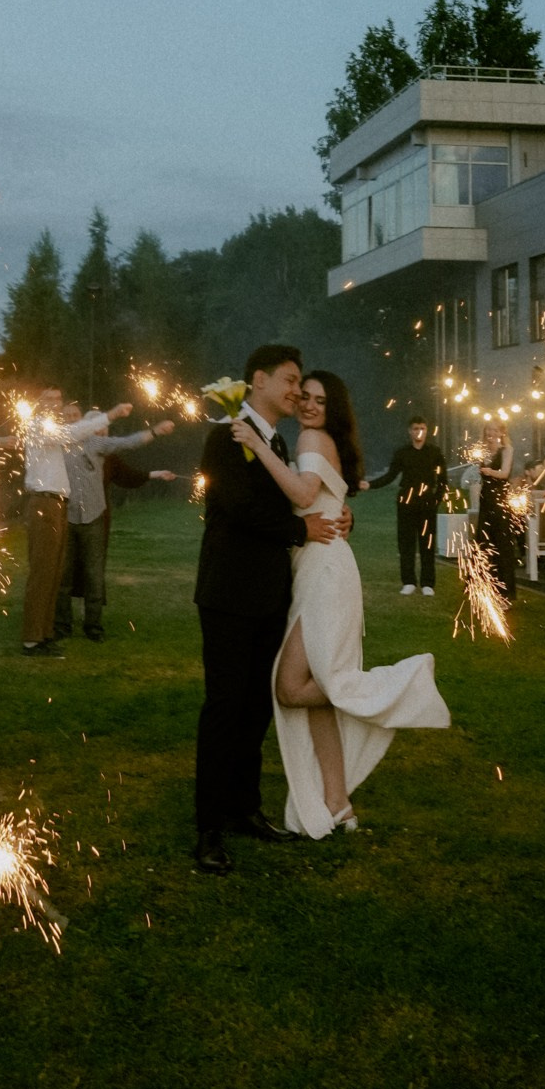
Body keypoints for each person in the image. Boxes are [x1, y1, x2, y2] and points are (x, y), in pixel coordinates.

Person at [236, 371, 451, 838]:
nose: (310, 406)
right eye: (305, 397)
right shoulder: (321, 439)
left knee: (292, 686)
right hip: (321, 566)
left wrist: (252, 439)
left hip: (326, 572)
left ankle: (399, 685)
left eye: (320, 400)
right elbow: (325, 501)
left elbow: (303, 493)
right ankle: (338, 804)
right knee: (313, 692)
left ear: (331, 410)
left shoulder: (312, 437)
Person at [191, 345, 345, 876]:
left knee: (256, 708)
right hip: (229, 593)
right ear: (257, 380)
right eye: (289, 379)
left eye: (301, 381)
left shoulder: (277, 441)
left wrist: (333, 513)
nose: (297, 390)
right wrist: (299, 529)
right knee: (225, 707)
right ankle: (209, 827)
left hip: (271, 594)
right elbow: (237, 505)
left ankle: (243, 808)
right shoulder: (225, 435)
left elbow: (298, 495)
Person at [19, 388, 132, 656]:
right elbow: (72, 433)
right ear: (39, 404)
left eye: (58, 399)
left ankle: (45, 634)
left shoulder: (53, 430)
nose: (55, 404)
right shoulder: (38, 426)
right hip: (44, 504)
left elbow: (74, 434)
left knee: (55, 574)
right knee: (43, 573)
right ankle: (31, 639)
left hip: (58, 504)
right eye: (49, 399)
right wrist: (110, 415)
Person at [53, 403, 174, 642]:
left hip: (94, 517)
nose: (72, 420)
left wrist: (154, 432)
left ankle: (93, 627)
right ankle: (61, 626)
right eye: (67, 417)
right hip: (66, 517)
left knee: (94, 575)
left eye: (76, 416)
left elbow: (125, 442)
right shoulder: (56, 444)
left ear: (83, 421)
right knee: (63, 576)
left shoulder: (95, 443)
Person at [366, 414, 447, 595]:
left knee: (427, 544)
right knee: (406, 544)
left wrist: (435, 500)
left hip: (427, 503)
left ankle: (427, 584)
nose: (419, 432)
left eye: (423, 429)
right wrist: (370, 484)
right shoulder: (402, 453)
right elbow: (391, 476)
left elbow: (442, 480)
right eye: (416, 429)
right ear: (410, 431)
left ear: (427, 431)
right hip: (406, 503)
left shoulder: (434, 453)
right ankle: (408, 581)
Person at [474, 419, 517, 603]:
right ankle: (484, 588)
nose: (490, 433)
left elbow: (505, 473)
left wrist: (489, 471)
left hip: (500, 500)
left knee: (501, 544)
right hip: (486, 500)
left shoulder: (506, 450)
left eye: (494, 430)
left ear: (501, 433)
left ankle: (504, 592)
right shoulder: (483, 451)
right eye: (488, 430)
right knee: (484, 542)